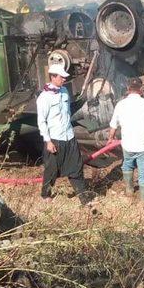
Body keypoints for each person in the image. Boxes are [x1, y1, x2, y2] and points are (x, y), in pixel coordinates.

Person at [36, 62, 89, 203]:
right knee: (51, 170)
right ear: (53, 77)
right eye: (61, 77)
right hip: (55, 139)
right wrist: (48, 141)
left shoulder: (64, 92)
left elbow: (68, 113)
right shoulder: (44, 98)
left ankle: (84, 197)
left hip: (69, 136)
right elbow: (41, 121)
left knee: (76, 167)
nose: (64, 79)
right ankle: (45, 195)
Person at [108, 77, 144, 202]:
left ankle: (129, 190)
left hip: (128, 145)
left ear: (128, 89)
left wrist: (110, 138)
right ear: (141, 90)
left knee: (127, 165)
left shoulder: (120, 104)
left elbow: (113, 125)